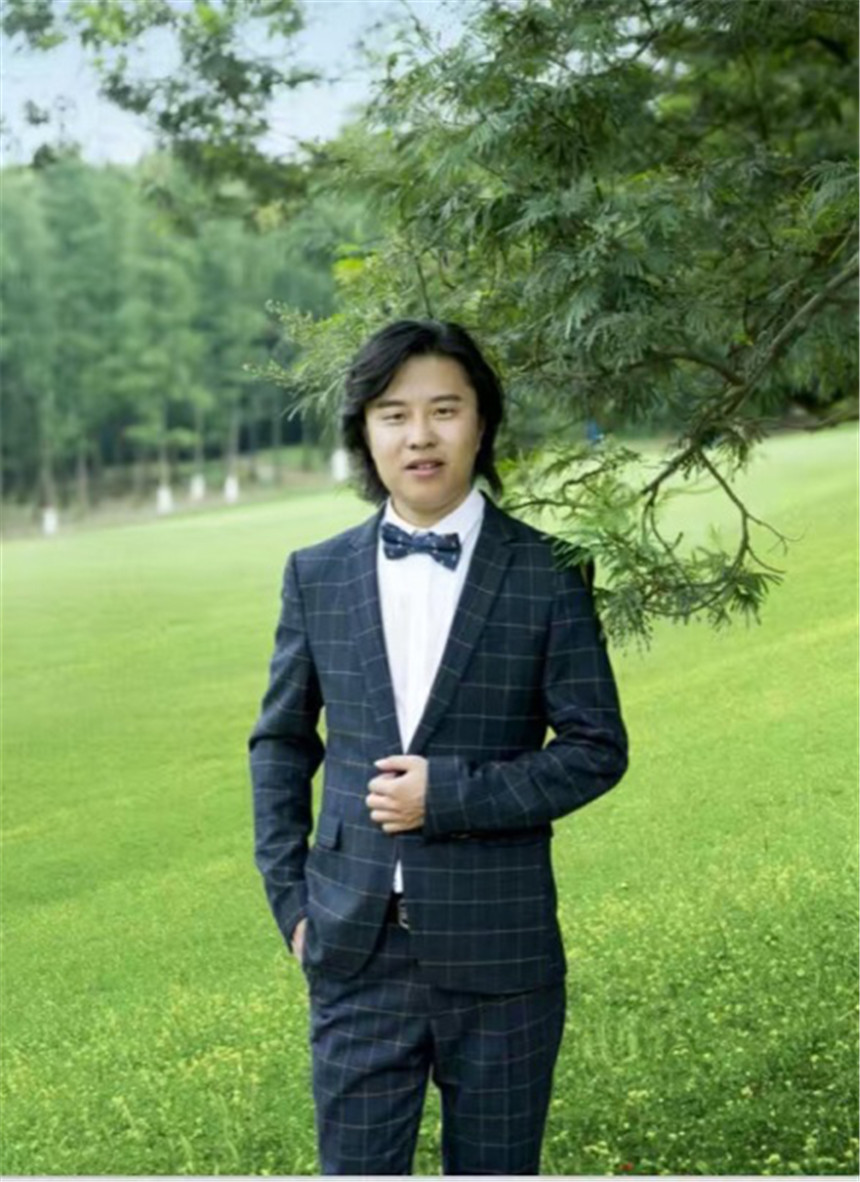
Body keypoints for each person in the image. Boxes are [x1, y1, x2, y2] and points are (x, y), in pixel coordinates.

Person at [248, 319, 628, 1175]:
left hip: (503, 955)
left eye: (443, 410)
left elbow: (596, 747)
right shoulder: (316, 574)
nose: (419, 435)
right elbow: (279, 743)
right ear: (365, 433)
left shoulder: (550, 571)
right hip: (353, 949)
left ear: (480, 424)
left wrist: (448, 795)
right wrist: (292, 905)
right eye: (393, 415)